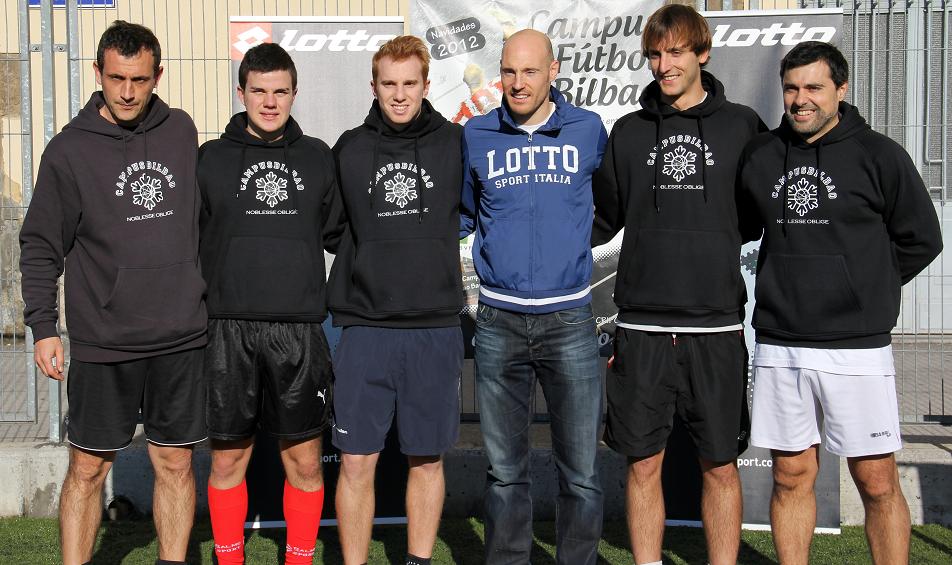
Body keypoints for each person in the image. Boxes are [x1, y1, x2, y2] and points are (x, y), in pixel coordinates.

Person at [737, 41, 942, 564]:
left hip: (856, 347)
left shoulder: (880, 155)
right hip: (781, 342)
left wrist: (866, 287)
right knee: (790, 475)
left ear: (841, 89)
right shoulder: (762, 156)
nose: (800, 99)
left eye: (814, 87)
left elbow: (922, 238)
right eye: (791, 88)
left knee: (876, 480)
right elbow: (740, 229)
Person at [19, 21, 206, 565]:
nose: (127, 92)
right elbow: (40, 245)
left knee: (175, 464)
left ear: (158, 76)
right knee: (87, 468)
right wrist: (43, 326)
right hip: (105, 340)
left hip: (180, 337)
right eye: (117, 78)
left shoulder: (181, 131)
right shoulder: (68, 151)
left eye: (139, 80)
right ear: (98, 73)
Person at [590, 5, 765, 564]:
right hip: (641, 327)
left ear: (702, 53)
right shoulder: (629, 131)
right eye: (655, 55)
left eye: (676, 52)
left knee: (720, 464)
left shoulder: (742, 127)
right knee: (643, 464)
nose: (664, 65)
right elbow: (601, 218)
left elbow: (757, 215)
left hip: (716, 325)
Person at [460, 28, 607, 565]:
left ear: (553, 71)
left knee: (582, 473)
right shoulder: (476, 135)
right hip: (498, 321)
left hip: (570, 320)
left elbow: (609, 206)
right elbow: (463, 216)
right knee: (505, 473)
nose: (517, 83)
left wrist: (568, 248)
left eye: (529, 71)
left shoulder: (588, 130)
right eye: (508, 71)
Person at [198, 43, 343, 564]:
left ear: (294, 93)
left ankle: (298, 558)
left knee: (304, 464)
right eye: (259, 91)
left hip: (297, 331)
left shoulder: (318, 157)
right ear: (241, 93)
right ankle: (230, 558)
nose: (269, 102)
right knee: (226, 463)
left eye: (280, 91)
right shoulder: (210, 158)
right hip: (227, 330)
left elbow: (341, 237)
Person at [328, 35, 464, 565]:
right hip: (365, 327)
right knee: (356, 461)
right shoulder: (350, 149)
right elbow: (333, 229)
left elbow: (471, 211)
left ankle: (418, 560)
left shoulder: (454, 143)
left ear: (426, 85)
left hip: (434, 327)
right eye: (389, 83)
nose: (400, 94)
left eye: (410, 83)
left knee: (426, 460)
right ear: (374, 86)